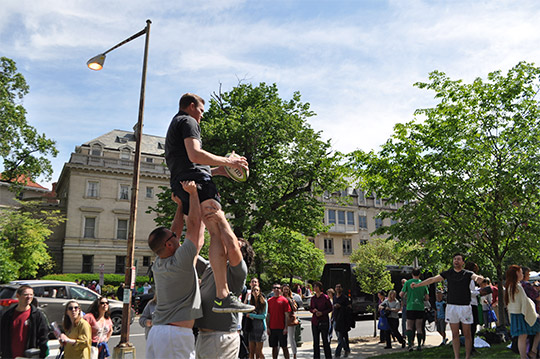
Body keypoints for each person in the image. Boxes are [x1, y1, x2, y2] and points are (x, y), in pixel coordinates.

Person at [165, 92, 252, 314]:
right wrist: (229, 160)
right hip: (198, 183)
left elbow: (188, 162)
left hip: (183, 183)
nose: (202, 116)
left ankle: (185, 288)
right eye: (202, 111)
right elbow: (195, 155)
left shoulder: (174, 125)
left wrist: (218, 170)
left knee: (196, 237)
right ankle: (223, 296)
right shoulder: (188, 121)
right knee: (217, 233)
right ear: (192, 106)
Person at [146, 181, 205, 359]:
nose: (177, 236)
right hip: (174, 336)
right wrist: (193, 193)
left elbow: (173, 232)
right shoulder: (181, 261)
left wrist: (180, 206)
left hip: (157, 333)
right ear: (169, 244)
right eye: (173, 238)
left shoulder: (159, 262)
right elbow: (194, 225)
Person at [194, 209, 254, 359]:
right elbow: (192, 253)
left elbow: (232, 247)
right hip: (203, 334)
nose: (228, 243)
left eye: (235, 243)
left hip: (221, 337)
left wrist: (221, 219)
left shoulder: (239, 271)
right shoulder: (211, 266)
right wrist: (199, 219)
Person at [411, 253, 484, 359]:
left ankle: (467, 357)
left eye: (459, 259)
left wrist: (479, 278)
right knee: (455, 334)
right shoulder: (448, 273)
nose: (456, 261)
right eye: (455, 259)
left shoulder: (468, 273)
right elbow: (433, 279)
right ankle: (457, 357)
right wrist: (418, 285)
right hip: (452, 306)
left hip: (465, 307)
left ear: (463, 262)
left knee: (467, 334)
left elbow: (476, 277)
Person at [0, 285, 49, 359]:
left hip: (29, 356)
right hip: (9, 355)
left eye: (31, 294)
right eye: (26, 294)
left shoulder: (37, 315)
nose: (29, 297)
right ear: (18, 296)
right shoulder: (8, 315)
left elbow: (43, 336)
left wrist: (41, 355)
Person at [506, 265, 540, 359]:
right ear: (517, 273)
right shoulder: (518, 287)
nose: (522, 274)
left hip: (515, 314)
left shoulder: (510, 286)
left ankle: (524, 356)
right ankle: (531, 352)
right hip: (522, 314)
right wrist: (534, 314)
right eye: (521, 272)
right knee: (525, 336)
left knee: (522, 337)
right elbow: (525, 303)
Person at [400, 268, 428, 352]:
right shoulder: (423, 283)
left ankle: (410, 345)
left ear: (412, 274)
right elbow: (427, 297)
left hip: (410, 307)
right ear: (419, 274)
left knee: (409, 327)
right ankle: (419, 345)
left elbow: (402, 294)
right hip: (420, 307)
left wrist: (406, 295)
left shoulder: (408, 283)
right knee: (419, 327)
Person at [267, 283, 291, 359]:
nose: (276, 289)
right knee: (274, 347)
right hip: (272, 327)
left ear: (281, 290)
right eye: (274, 288)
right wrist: (268, 327)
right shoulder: (269, 301)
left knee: (284, 346)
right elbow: (268, 315)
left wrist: (286, 328)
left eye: (278, 288)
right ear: (272, 290)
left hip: (281, 328)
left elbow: (287, 315)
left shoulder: (284, 300)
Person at [310, 281, 333, 359]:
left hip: (323, 321)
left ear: (320, 288)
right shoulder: (313, 298)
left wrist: (322, 313)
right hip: (315, 321)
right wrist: (313, 310)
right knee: (315, 341)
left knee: (325, 341)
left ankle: (328, 357)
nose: (315, 288)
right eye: (314, 287)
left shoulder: (325, 297)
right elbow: (310, 308)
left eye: (316, 287)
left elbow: (330, 308)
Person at [246, 286, 267, 359]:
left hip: (260, 328)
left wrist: (252, 315)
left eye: (257, 290)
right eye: (254, 290)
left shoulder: (263, 302)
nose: (255, 291)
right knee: (251, 352)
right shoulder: (250, 302)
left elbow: (264, 316)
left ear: (259, 291)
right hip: (251, 328)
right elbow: (246, 313)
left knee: (259, 351)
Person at [333, 283, 351, 358]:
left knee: (341, 337)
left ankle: (338, 353)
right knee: (342, 336)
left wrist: (341, 306)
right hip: (336, 318)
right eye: (337, 287)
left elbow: (349, 307)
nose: (338, 288)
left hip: (343, 320)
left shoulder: (344, 298)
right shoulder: (334, 297)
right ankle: (347, 349)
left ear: (342, 289)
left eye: (339, 287)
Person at [283, 284, 299, 359]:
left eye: (287, 289)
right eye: (284, 289)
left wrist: (292, 303)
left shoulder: (292, 299)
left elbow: (295, 309)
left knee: (291, 338)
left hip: (290, 320)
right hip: (282, 320)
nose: (286, 291)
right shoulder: (280, 299)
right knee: (282, 339)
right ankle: (285, 355)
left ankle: (294, 354)